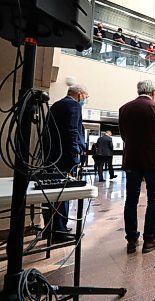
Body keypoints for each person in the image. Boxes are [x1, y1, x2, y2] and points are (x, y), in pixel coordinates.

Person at [119, 80, 155, 254]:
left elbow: (123, 134)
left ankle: (131, 240)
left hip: (132, 158)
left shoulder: (124, 108)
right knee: (153, 199)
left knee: (131, 200)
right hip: (153, 159)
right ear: (153, 92)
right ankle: (149, 239)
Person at [44, 85, 88, 241]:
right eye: (86, 96)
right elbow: (72, 130)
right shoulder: (74, 105)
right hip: (65, 158)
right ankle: (59, 230)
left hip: (52, 155)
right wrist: (76, 152)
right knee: (63, 192)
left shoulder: (56, 105)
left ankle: (50, 227)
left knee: (51, 192)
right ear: (79, 94)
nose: (85, 99)